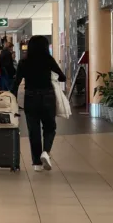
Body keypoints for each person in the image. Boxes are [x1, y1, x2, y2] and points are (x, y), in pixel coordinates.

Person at [13, 35, 66, 172]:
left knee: (33, 130)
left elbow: (16, 83)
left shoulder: (24, 62)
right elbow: (62, 77)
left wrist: (11, 98)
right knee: (49, 127)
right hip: (47, 96)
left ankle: (36, 163)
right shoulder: (48, 60)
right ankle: (45, 152)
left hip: (30, 98)